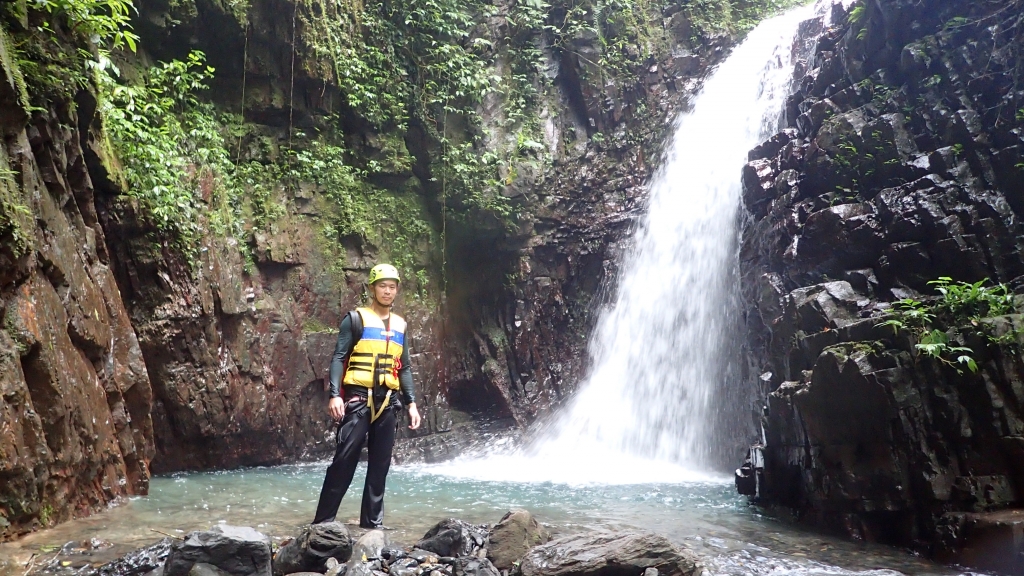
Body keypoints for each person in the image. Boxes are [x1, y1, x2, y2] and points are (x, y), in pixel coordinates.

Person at [312, 263, 421, 528]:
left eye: (392, 287)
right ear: (372, 288)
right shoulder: (356, 319)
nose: (387, 291)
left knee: (380, 466)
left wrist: (411, 403)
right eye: (382, 286)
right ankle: (322, 523)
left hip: (388, 403)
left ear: (396, 291)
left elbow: (403, 367)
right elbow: (339, 358)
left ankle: (372, 525)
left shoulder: (400, 326)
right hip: (359, 399)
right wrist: (335, 395)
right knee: (343, 461)